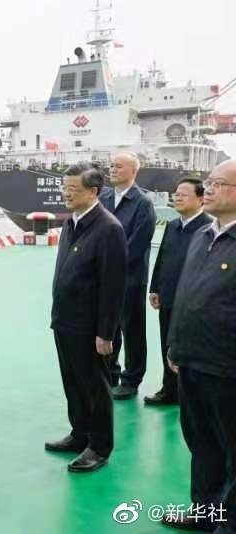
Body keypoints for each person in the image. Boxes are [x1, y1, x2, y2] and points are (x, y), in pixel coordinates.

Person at [161, 160, 236, 532]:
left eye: (218, 183)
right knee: (201, 443)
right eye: (208, 182)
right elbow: (186, 294)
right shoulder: (203, 235)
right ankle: (206, 512)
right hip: (191, 361)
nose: (209, 189)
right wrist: (175, 346)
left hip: (227, 367)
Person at [46, 162, 127, 473]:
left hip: (90, 328)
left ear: (93, 191)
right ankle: (79, 433)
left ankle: (99, 446)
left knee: (95, 387)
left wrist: (106, 332)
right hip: (65, 321)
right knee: (73, 383)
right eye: (64, 188)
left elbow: (113, 286)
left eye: (73, 189)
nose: (66, 194)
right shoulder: (71, 223)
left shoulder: (108, 229)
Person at [144, 178, 211, 406]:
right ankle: (169, 390)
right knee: (167, 343)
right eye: (176, 194)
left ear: (201, 199)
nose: (177, 197)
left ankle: (190, 394)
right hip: (168, 296)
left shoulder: (207, 228)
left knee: (190, 348)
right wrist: (155, 287)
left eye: (184, 194)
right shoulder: (172, 225)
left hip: (193, 302)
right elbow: (161, 257)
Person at [99, 152, 157, 399]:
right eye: (111, 165)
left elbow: (138, 244)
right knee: (108, 327)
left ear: (134, 171)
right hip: (104, 277)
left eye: (119, 166)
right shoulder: (104, 198)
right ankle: (110, 373)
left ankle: (132, 379)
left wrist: (110, 267)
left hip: (130, 279)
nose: (113, 169)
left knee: (132, 330)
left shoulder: (143, 203)